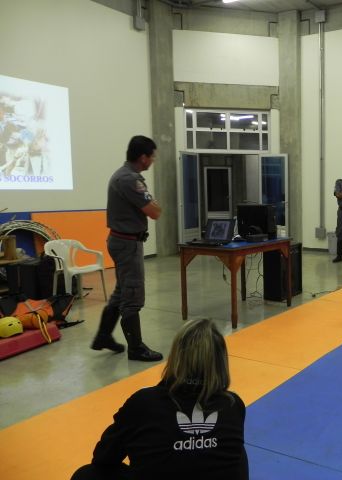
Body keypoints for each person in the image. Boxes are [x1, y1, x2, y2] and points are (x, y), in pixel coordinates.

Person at [72, 319, 249, 479]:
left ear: (176, 357)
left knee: (86, 475)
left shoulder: (143, 402)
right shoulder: (233, 404)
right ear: (220, 362)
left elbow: (103, 457)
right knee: (236, 451)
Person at [90, 135, 163, 361]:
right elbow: (155, 212)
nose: (153, 160)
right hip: (127, 243)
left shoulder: (124, 176)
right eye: (152, 156)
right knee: (132, 294)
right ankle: (136, 348)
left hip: (123, 241)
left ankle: (103, 336)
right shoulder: (130, 180)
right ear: (143, 157)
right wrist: (154, 204)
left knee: (122, 291)